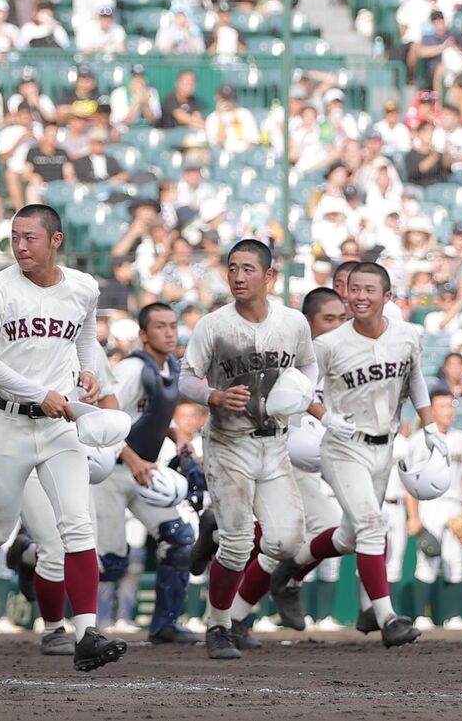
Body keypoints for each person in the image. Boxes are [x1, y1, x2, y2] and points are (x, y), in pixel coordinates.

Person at [0, 204, 126, 673]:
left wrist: (85, 370)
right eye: (15, 237)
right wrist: (38, 393)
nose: (20, 246)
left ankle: (86, 633)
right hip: (8, 422)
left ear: (55, 241)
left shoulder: (82, 286)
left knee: (78, 527)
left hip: (59, 424)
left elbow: (83, 335)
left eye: (30, 238)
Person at [260, 267, 435, 646]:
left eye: (369, 289)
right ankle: (386, 618)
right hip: (342, 446)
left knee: (349, 533)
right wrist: (325, 417)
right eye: (353, 289)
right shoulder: (329, 344)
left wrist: (430, 424)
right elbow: (290, 389)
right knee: (372, 526)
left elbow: (416, 377)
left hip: (383, 445)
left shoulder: (406, 335)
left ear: (387, 296)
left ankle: (293, 568)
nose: (359, 296)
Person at [179, 239, 315, 659]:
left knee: (289, 542)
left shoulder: (293, 323)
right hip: (227, 442)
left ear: (269, 276)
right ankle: (218, 626)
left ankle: (213, 523)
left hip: (274, 444)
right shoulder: (214, 325)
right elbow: (186, 379)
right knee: (238, 546)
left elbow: (308, 365)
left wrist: (299, 392)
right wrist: (213, 397)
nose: (238, 276)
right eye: (233, 268)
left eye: (248, 269)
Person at [91, 303, 199, 645]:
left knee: (179, 540)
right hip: (110, 472)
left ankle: (164, 625)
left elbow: (149, 413)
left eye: (172, 326)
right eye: (160, 327)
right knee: (110, 565)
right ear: (143, 334)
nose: (169, 332)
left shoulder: (171, 367)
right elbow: (104, 418)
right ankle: (33, 557)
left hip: (141, 472)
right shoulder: (131, 370)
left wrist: (176, 434)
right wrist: (132, 457)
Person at [264, 287, 348, 632]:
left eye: (342, 319)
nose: (338, 325)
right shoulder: (291, 352)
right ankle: (234, 617)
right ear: (308, 321)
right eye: (329, 319)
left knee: (289, 539)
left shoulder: (345, 357)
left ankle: (242, 613)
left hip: (318, 458)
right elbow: (284, 397)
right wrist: (324, 415)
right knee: (317, 530)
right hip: (277, 454)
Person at [405, 387, 462, 630]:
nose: (449, 411)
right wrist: (413, 516)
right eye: (443, 406)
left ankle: (452, 616)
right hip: (429, 504)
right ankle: (422, 617)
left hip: (454, 504)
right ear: (431, 410)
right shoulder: (418, 440)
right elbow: (409, 482)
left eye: (451, 406)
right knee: (428, 559)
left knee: (455, 561)